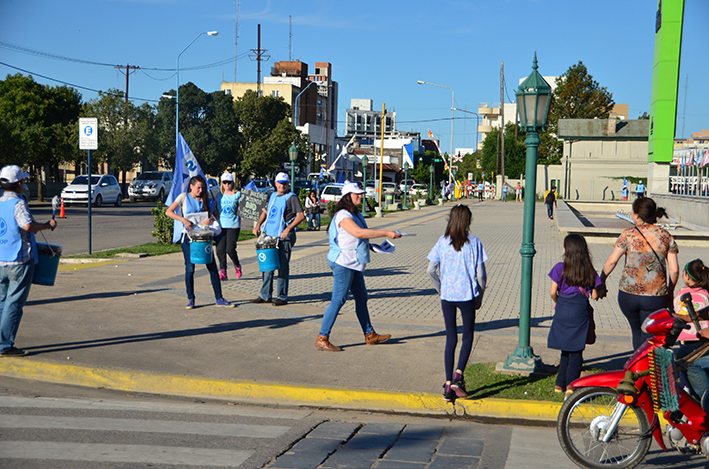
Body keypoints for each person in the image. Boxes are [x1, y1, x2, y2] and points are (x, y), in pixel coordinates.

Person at [315, 182, 400, 351]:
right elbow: (358, 233)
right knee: (338, 300)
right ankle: (322, 338)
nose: (360, 196)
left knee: (361, 298)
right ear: (347, 196)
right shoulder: (342, 215)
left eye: (361, 194)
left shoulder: (355, 214)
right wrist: (387, 233)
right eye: (356, 194)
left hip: (353, 262)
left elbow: (356, 238)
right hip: (343, 262)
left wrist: (370, 246)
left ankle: (370, 335)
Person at [600, 197, 679, 350]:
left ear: (637, 215)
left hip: (628, 294)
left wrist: (602, 281)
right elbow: (674, 270)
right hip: (655, 296)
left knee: (636, 331)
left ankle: (636, 368)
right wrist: (670, 291)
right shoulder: (665, 236)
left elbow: (612, 261)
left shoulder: (628, 234)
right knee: (650, 334)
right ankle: (649, 370)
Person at [427, 204, 488, 402]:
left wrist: (440, 288)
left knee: (450, 338)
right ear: (468, 221)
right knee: (467, 336)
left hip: (447, 296)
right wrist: (480, 293)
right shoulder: (475, 242)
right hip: (467, 295)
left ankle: (447, 385)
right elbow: (481, 274)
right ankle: (458, 375)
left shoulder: (442, 241)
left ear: (450, 220)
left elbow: (430, 270)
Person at [0, 166, 58, 357]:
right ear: (19, 184)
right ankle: (4, 345)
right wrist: (47, 226)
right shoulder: (18, 203)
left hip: (1, 260)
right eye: (23, 181)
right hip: (19, 261)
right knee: (14, 303)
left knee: (2, 301)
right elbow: (27, 225)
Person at [166, 175, 234, 309]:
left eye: (202, 188)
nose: (200, 190)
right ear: (191, 187)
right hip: (188, 237)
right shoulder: (183, 197)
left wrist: (211, 219)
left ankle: (219, 298)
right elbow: (169, 211)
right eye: (198, 188)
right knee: (190, 268)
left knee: (212, 267)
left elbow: (216, 215)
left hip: (204, 237)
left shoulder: (206, 199)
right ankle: (191, 299)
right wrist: (183, 220)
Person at [548, 234, 601, 399]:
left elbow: (552, 292)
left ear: (566, 250)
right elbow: (594, 296)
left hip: (563, 310)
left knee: (565, 349)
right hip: (579, 312)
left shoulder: (559, 268)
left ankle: (559, 384)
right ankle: (572, 386)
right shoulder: (589, 270)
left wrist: (559, 302)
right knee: (576, 352)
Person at [251, 172, 305, 306]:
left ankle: (282, 296)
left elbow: (300, 216)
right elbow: (266, 212)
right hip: (270, 236)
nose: (283, 185)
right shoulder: (273, 196)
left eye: (285, 183)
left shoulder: (292, 198)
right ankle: (265, 295)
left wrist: (288, 229)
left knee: (282, 267)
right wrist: (258, 225)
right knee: (267, 267)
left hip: (283, 237)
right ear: (275, 183)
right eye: (280, 183)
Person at [672, 260, 709, 399]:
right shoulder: (706, 292)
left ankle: (702, 400)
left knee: (687, 362)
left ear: (686, 276)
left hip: (691, 338)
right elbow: (701, 314)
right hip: (702, 339)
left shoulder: (681, 293)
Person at [215, 172, 242, 281]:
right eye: (224, 182)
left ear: (232, 183)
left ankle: (237, 265)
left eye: (229, 182)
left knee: (230, 248)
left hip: (233, 225)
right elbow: (214, 208)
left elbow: (247, 207)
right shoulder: (218, 195)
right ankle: (223, 271)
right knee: (220, 249)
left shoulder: (238, 194)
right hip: (221, 225)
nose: (227, 185)